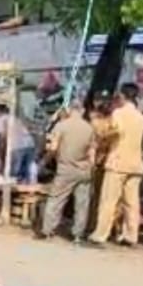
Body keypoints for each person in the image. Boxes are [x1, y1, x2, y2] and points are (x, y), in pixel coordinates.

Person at [89, 84, 143, 247]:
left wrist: (101, 132)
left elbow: (114, 131)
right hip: (135, 163)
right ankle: (131, 235)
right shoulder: (140, 117)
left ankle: (100, 234)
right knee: (132, 202)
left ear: (122, 96)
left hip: (117, 161)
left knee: (109, 200)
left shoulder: (119, 114)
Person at [41, 99, 96, 242]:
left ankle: (48, 230)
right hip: (84, 170)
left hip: (66, 169)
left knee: (56, 199)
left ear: (70, 110)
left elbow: (53, 148)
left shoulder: (61, 126)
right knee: (82, 204)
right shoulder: (89, 128)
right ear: (82, 111)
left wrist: (46, 160)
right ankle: (77, 234)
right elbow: (92, 152)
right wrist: (90, 167)